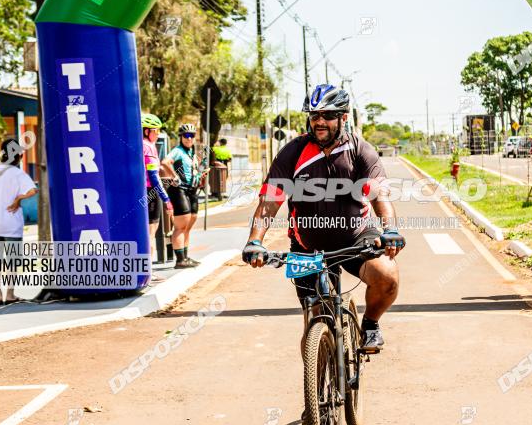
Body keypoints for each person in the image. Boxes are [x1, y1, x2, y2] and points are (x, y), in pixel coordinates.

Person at [242, 84, 405, 352]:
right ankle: (317, 383)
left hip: (355, 240)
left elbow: (379, 197)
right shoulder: (292, 152)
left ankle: (371, 324)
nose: (319, 121)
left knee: (388, 277)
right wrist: (255, 242)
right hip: (306, 247)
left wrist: (390, 230)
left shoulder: (360, 151)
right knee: (314, 327)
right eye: (314, 115)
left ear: (344, 116)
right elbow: (269, 202)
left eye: (327, 115)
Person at [0, 138, 38, 305]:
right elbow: (33, 190)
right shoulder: (19, 174)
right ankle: (10, 295)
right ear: (19, 156)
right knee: (13, 260)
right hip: (12, 224)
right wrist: (19, 198)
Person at [163, 123, 205, 268]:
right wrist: (174, 175)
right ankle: (180, 260)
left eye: (192, 135)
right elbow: (165, 162)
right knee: (181, 226)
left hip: (192, 190)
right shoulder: (178, 151)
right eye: (186, 136)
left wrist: (200, 175)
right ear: (181, 137)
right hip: (179, 189)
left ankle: (186, 257)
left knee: (190, 223)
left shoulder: (192, 152)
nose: (189, 138)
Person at [143, 113, 173, 266]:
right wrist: (166, 199)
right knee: (150, 234)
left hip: (143, 192)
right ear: (147, 131)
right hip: (151, 193)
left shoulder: (142, 145)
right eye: (156, 130)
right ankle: (149, 272)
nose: (158, 133)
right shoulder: (148, 147)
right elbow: (154, 177)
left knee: (147, 234)